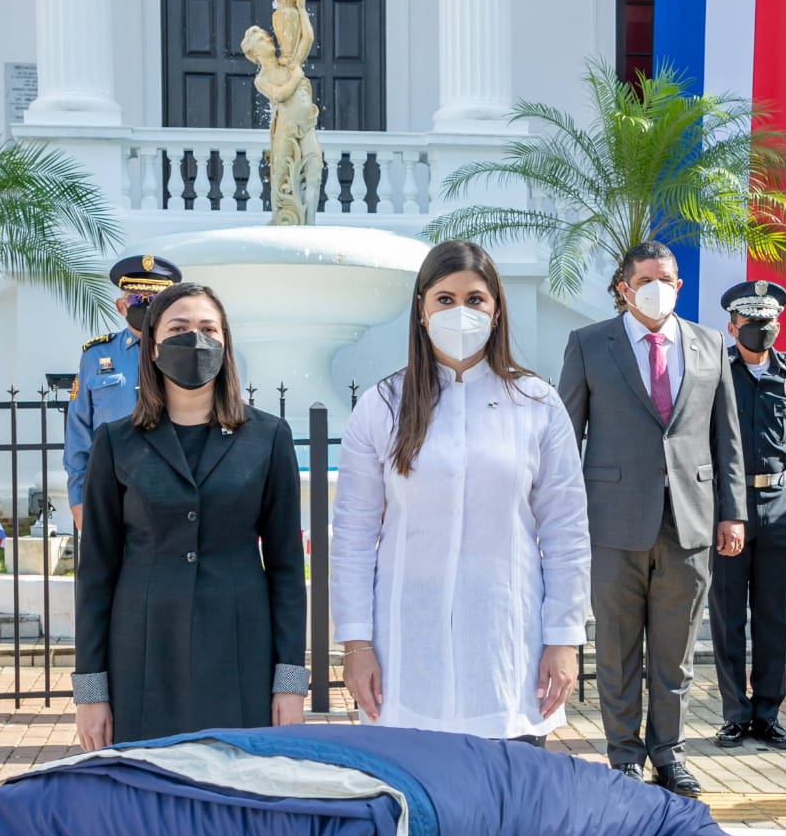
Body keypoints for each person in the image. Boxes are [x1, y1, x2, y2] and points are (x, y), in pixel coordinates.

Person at [330, 240, 590, 744]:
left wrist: (564, 639)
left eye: (475, 299)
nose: (461, 311)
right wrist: (356, 644)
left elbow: (566, 529)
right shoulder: (384, 405)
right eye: (445, 299)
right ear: (422, 312)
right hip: (404, 652)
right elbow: (355, 536)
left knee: (509, 805)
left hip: (507, 649)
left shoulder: (535, 403)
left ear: (496, 310)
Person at [71, 283, 307, 748]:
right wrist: (90, 693)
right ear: (153, 343)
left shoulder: (269, 437)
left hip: (241, 652)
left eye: (207, 328)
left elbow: (285, 568)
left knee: (237, 799)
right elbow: (96, 571)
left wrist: (290, 683)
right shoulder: (116, 442)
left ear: (225, 343)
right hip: (142, 652)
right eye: (179, 329)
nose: (194, 339)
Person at [558, 240, 747, 795]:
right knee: (617, 649)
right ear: (624, 286)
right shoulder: (591, 345)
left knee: (675, 652)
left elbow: (727, 439)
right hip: (613, 524)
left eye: (666, 278)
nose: (657, 287)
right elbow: (567, 436)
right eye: (645, 279)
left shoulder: (710, 344)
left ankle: (669, 753)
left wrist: (732, 513)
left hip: (689, 521)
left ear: (679, 284)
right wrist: (561, 519)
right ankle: (623, 757)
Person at [708, 281, 786, 750]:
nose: (761, 330)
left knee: (774, 614)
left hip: (779, 506)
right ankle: (735, 714)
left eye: (769, 323)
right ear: (733, 325)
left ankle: (769, 712)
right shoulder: (717, 372)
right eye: (752, 323)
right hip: (729, 507)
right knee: (728, 614)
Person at [64, 254, 182, 531]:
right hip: (110, 484)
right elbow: (78, 430)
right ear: (120, 306)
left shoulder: (182, 352)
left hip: (173, 481)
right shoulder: (96, 355)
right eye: (135, 299)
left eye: (153, 300)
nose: (144, 305)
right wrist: (78, 498)